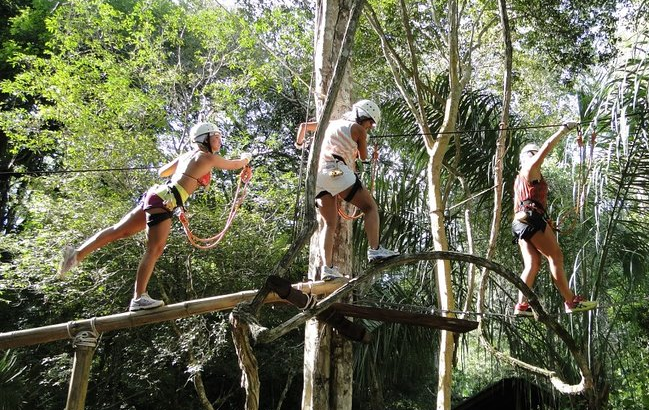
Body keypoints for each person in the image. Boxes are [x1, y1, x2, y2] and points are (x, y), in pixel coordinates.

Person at [58, 122, 252, 311]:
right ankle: (138, 298)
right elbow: (235, 164)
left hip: (158, 195)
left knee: (121, 230)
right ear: (205, 139)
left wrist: (184, 170)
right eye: (216, 136)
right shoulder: (207, 157)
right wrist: (246, 157)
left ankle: (77, 254)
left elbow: (162, 172)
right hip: (165, 200)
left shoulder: (188, 155)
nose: (219, 140)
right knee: (155, 248)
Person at [296, 100, 399, 281]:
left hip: (317, 176)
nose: (370, 127)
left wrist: (299, 144)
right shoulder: (358, 130)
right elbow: (364, 158)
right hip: (335, 170)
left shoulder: (330, 123)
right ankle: (375, 250)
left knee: (329, 224)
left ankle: (327, 268)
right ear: (362, 116)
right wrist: (370, 155)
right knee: (370, 207)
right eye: (370, 122)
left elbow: (304, 126)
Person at [511, 121, 596, 316]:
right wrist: (563, 130)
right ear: (526, 157)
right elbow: (546, 148)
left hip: (521, 221)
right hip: (530, 218)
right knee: (556, 257)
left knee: (532, 263)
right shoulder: (530, 167)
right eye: (532, 153)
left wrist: (543, 220)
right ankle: (570, 301)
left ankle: (521, 305)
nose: (535, 156)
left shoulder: (520, 179)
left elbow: (523, 203)